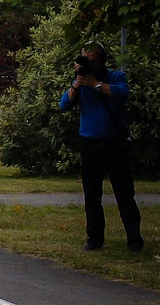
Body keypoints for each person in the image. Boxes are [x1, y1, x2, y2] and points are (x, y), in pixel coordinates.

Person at [60, 42, 144, 252]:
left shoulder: (115, 77)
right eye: (85, 61)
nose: (89, 65)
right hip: (90, 145)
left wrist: (95, 84)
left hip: (114, 144)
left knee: (124, 194)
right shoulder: (81, 82)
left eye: (93, 61)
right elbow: (64, 105)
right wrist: (78, 83)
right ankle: (94, 238)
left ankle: (134, 239)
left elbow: (122, 93)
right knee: (92, 195)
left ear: (103, 61)